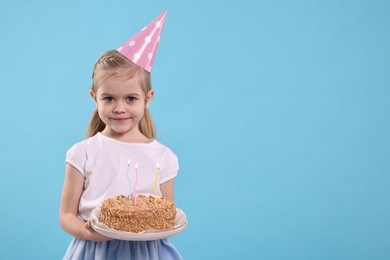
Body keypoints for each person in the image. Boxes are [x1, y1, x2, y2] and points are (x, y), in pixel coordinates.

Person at [60, 12, 183, 259]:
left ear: (147, 99)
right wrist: (94, 234)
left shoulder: (164, 157)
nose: (119, 108)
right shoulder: (82, 152)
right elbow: (66, 216)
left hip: (146, 252)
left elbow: (166, 214)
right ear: (95, 97)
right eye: (109, 98)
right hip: (95, 250)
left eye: (130, 98)